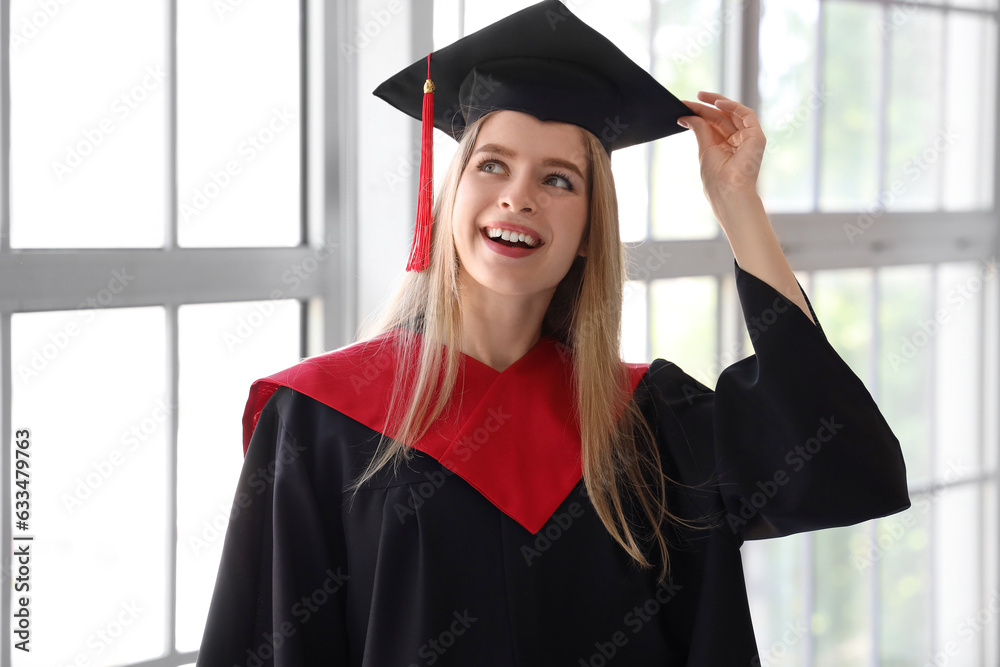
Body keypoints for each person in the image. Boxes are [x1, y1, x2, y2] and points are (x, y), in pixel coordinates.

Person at [195, 2, 910, 665]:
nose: (519, 195)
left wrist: (738, 205)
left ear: (590, 233)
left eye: (560, 180)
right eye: (492, 164)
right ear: (448, 203)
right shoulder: (320, 419)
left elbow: (841, 461)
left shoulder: (648, 423)